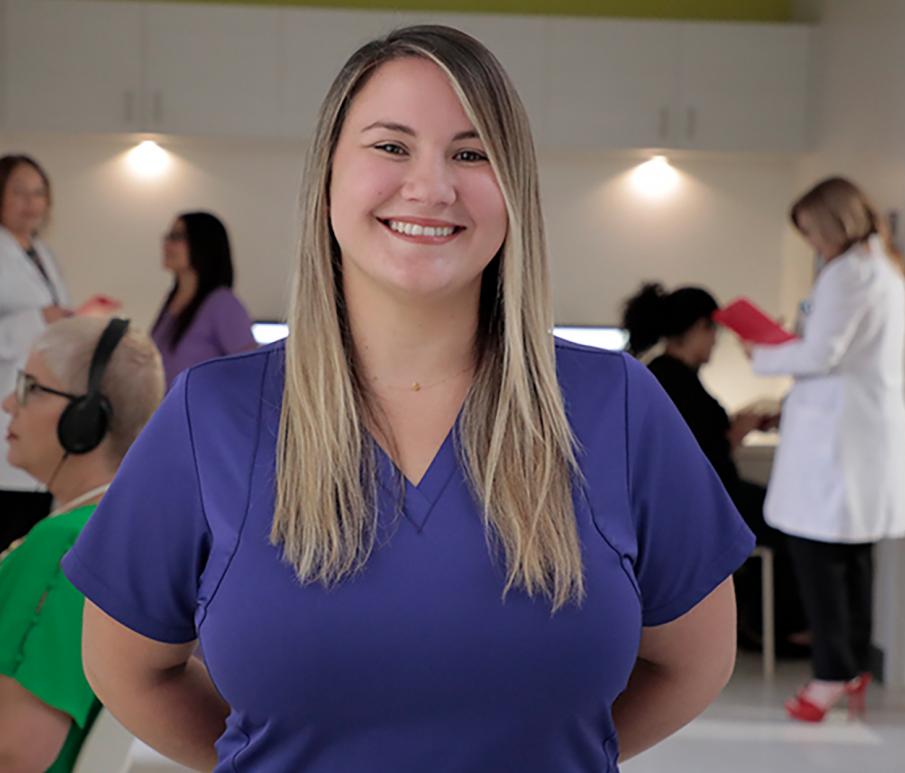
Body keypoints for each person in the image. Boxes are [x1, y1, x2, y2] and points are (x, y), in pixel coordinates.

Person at [62, 25, 755, 772]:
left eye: (471, 151)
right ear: (328, 173)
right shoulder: (211, 415)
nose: (430, 186)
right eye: (390, 146)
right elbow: (127, 667)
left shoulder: (617, 406)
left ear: (512, 189)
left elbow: (693, 662)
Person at [745, 176, 905, 722]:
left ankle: (830, 675)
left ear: (835, 224)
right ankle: (853, 663)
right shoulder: (882, 268)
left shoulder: (849, 275)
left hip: (838, 436)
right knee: (853, 555)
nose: (813, 245)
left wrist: (762, 351)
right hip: (857, 431)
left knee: (819, 557)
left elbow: (822, 354)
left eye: (814, 234)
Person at [0, 316, 164, 772]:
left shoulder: (67, 547)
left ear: (85, 419)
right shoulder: (121, 531)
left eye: (31, 387)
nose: (9, 402)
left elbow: (17, 751)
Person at [621, 282, 808, 651]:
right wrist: (735, 432)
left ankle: (766, 625)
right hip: (701, 503)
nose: (715, 342)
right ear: (696, 329)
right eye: (713, 332)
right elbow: (701, 450)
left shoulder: (666, 375)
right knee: (788, 520)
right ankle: (786, 629)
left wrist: (739, 426)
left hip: (696, 499)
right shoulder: (672, 379)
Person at [0, 154, 120, 554]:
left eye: (38, 193)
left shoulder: (42, 252)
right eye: (19, 192)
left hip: (36, 396)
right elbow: (31, 320)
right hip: (10, 395)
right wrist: (38, 317)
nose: (31, 202)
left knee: (29, 521)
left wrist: (65, 319)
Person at [150, 211, 257, 388]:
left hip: (201, 414)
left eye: (177, 237)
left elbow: (251, 372)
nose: (167, 245)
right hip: (167, 413)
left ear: (202, 243)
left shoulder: (222, 304)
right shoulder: (171, 302)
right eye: (168, 236)